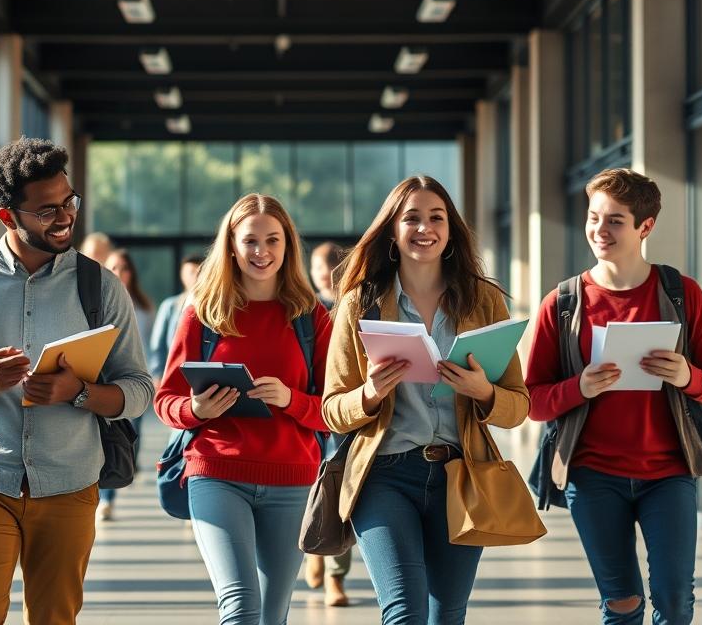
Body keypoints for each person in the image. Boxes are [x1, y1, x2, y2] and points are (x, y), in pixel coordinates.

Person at [0, 138, 153, 625]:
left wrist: (76, 392)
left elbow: (140, 389)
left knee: (54, 619)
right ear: (6, 216)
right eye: (46, 211)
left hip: (70, 483)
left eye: (69, 202)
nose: (64, 217)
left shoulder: (100, 286)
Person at [525, 168, 702, 625]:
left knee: (675, 601)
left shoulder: (682, 293)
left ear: (646, 226)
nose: (600, 231)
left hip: (670, 473)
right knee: (621, 604)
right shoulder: (563, 303)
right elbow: (532, 400)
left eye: (615, 220)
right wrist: (579, 386)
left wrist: (687, 376)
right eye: (594, 217)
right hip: (592, 475)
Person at [321, 175, 530, 625]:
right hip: (385, 475)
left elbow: (519, 407)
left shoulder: (483, 299)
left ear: (451, 229)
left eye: (436, 217)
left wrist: (484, 392)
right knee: (404, 612)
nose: (424, 228)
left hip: (462, 475)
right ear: (393, 232)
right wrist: (371, 393)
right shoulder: (361, 303)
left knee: (447, 614)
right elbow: (332, 409)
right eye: (411, 218)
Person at [154, 194, 332, 625]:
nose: (262, 252)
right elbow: (165, 401)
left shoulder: (312, 317)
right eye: (250, 241)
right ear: (231, 245)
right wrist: (196, 408)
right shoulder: (203, 312)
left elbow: (335, 409)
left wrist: (291, 400)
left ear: (288, 245)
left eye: (273, 240)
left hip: (292, 477)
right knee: (239, 606)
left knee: (272, 615)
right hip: (216, 472)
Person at [303, 241, 353, 607]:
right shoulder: (303, 309)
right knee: (309, 492)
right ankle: (313, 551)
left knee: (338, 496)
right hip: (307, 415)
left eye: (329, 267)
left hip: (340, 416)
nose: (324, 274)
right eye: (318, 267)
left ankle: (336, 576)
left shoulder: (355, 306)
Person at [96, 248, 155, 522]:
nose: (119, 273)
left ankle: (118, 478)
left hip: (134, 384)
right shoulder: (97, 302)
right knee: (106, 439)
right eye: (113, 267)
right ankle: (105, 497)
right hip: (104, 382)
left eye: (123, 268)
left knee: (128, 438)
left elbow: (153, 346)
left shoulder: (144, 308)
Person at [148, 253, 205, 382]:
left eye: (199, 272)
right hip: (174, 370)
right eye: (191, 272)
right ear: (182, 275)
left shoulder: (213, 306)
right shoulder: (170, 306)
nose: (195, 277)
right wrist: (157, 375)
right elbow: (158, 346)